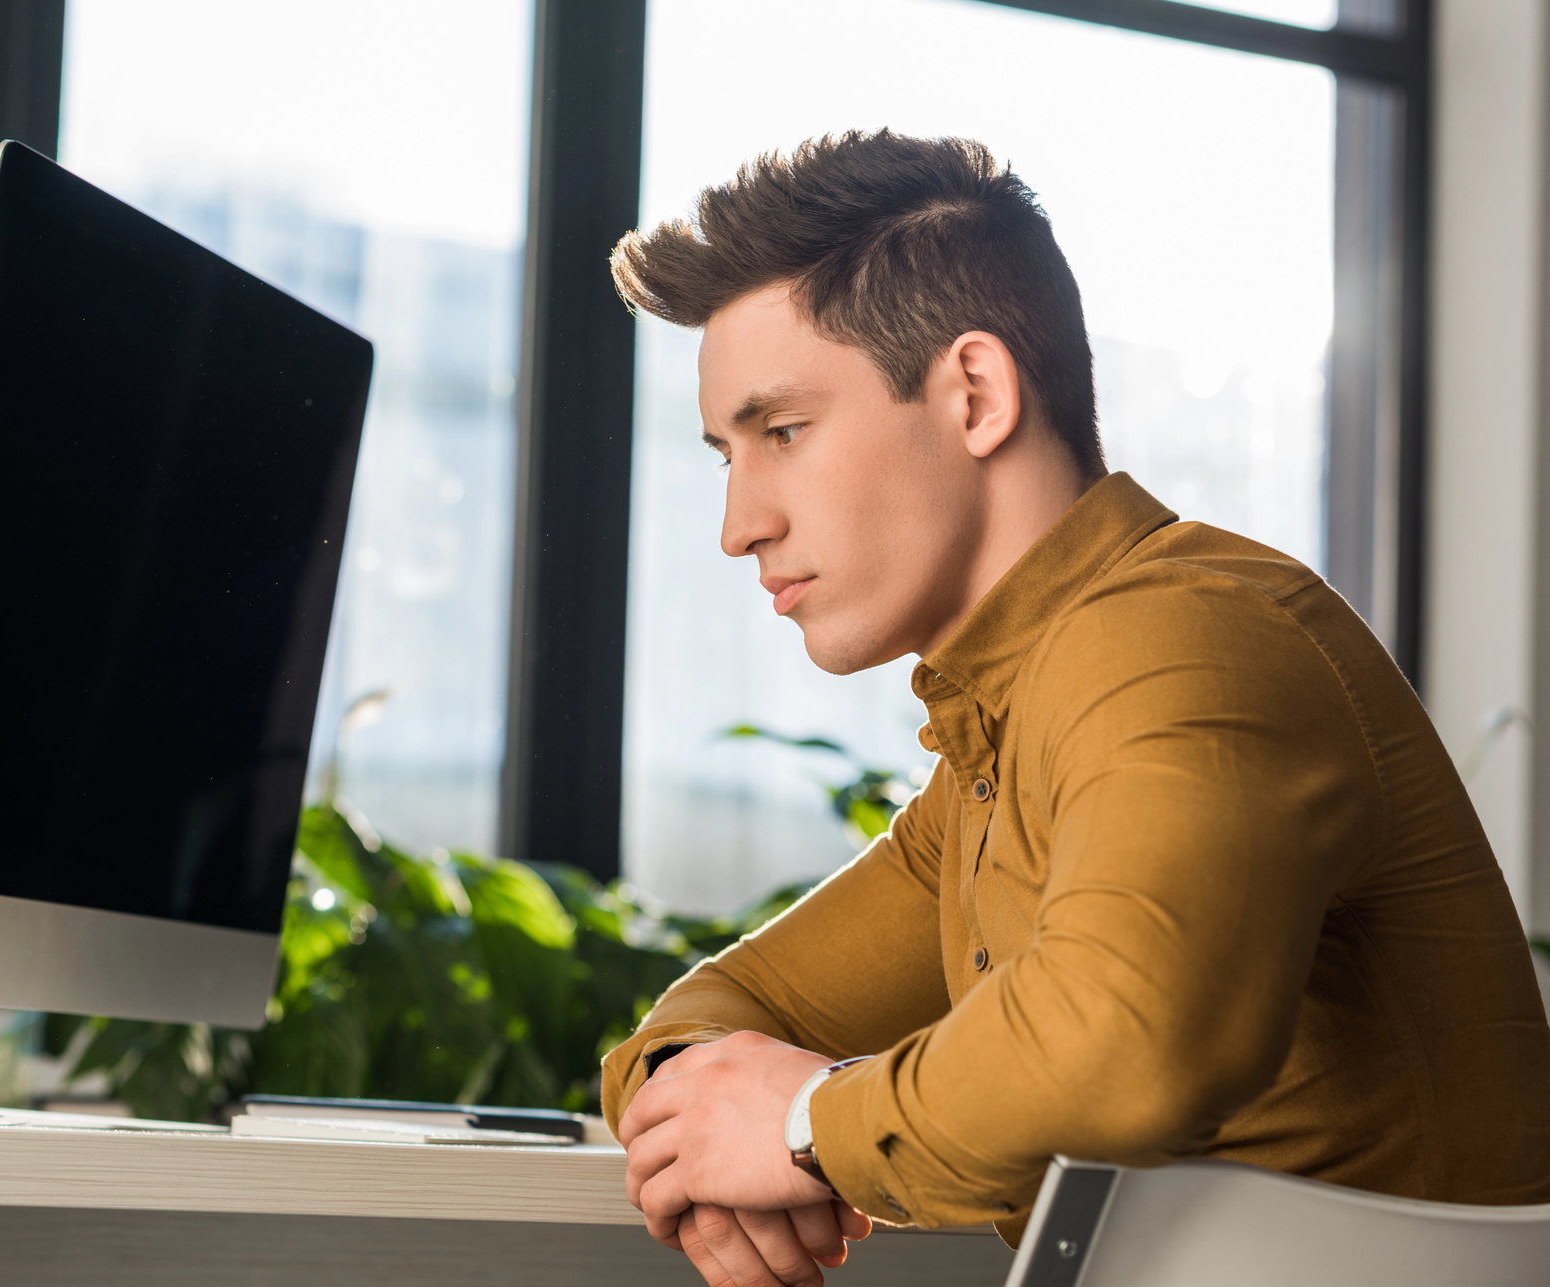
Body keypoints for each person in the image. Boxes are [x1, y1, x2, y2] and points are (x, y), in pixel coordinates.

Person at [600, 129, 1550, 1287]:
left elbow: (1123, 1048)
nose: (738, 523)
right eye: (724, 457)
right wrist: (698, 1119)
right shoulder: (1000, 745)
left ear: (975, 394)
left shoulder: (1186, 637)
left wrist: (800, 1130)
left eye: (782, 433)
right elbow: (723, 1006)